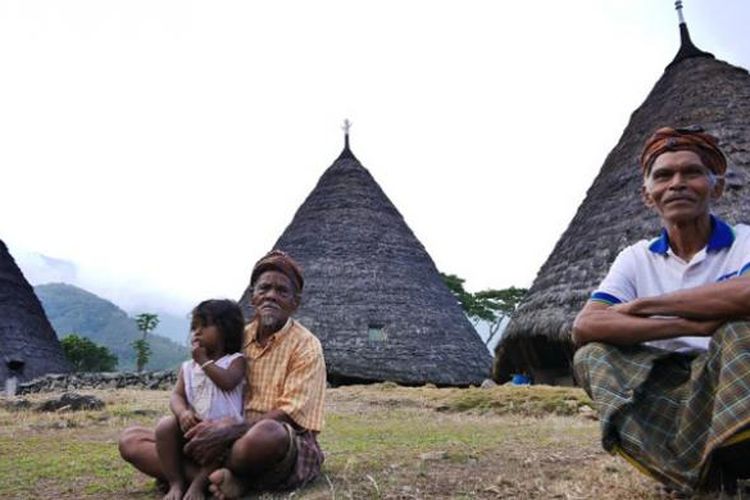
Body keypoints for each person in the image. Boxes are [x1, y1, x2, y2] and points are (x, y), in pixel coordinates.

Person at [572, 126, 750, 494]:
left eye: (692, 172)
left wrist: (643, 306)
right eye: (664, 175)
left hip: (733, 375)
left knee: (738, 332)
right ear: (648, 195)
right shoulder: (635, 258)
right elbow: (586, 325)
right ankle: (691, 474)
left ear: (715, 187)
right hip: (669, 378)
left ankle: (734, 462)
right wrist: (690, 325)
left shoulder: (744, 240)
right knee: (591, 356)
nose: (677, 183)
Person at [119, 250, 327, 499]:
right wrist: (198, 423)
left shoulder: (306, 346)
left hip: (266, 441)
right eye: (264, 288)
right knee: (131, 440)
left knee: (267, 434)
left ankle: (222, 480)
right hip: (216, 433)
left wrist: (230, 431)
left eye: (282, 291)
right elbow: (200, 377)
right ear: (253, 297)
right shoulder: (235, 337)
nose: (271, 295)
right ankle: (221, 480)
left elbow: (289, 414)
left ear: (295, 302)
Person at [156, 299, 246, 500]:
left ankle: (197, 486)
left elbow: (228, 382)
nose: (196, 332)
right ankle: (175, 483)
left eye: (204, 326)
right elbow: (177, 395)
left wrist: (204, 361)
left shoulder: (235, 361)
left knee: (219, 445)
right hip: (194, 429)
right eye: (194, 327)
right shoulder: (188, 368)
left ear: (226, 330)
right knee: (164, 426)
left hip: (224, 435)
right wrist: (182, 413)